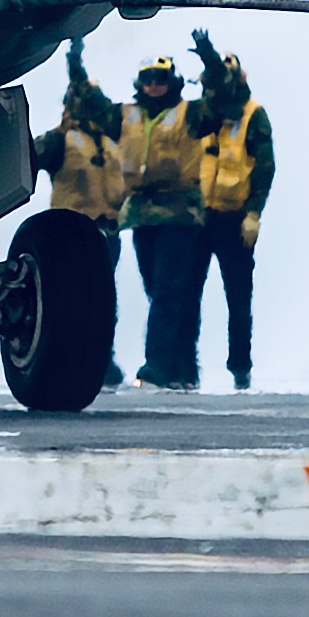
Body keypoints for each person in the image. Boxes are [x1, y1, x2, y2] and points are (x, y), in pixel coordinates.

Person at [32, 43, 134, 385]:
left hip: (107, 235)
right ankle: (63, 363)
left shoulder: (111, 142)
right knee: (67, 305)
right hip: (70, 236)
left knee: (104, 305)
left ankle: (102, 362)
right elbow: (23, 161)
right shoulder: (59, 140)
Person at [187, 31, 276, 389]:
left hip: (235, 218)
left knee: (238, 299)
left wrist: (255, 213)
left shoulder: (254, 115)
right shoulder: (203, 113)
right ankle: (185, 369)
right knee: (186, 295)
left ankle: (240, 368)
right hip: (198, 217)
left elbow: (265, 167)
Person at [118, 52, 211, 390]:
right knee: (158, 290)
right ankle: (183, 367)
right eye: (148, 79)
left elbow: (222, 100)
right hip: (143, 214)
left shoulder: (191, 113)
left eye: (160, 79)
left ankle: (157, 365)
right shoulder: (129, 115)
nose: (154, 85)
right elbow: (88, 110)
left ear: (172, 81)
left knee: (169, 292)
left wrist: (212, 62)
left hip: (180, 213)